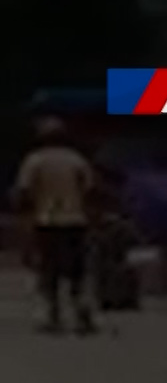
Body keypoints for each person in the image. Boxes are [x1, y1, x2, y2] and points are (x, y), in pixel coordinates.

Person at [11, 118, 95, 333]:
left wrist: (21, 214)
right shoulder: (76, 159)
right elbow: (90, 189)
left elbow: (23, 191)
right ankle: (81, 311)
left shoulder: (35, 160)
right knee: (77, 270)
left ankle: (52, 316)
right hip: (75, 221)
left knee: (49, 270)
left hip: (46, 221)